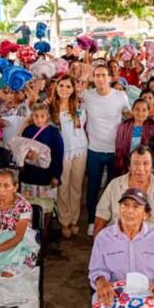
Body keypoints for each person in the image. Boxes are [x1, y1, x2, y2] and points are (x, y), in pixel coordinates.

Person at [83, 65, 131, 236]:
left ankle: (112, 221)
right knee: (93, 188)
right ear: (93, 78)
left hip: (115, 151)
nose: (100, 79)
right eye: (97, 75)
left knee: (114, 188)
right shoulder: (87, 96)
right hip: (94, 150)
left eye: (103, 75)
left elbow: (128, 115)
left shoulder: (120, 96)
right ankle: (91, 221)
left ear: (110, 77)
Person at [93, 146, 154, 238]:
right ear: (129, 167)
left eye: (146, 163)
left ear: (152, 167)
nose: (140, 169)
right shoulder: (114, 186)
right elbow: (100, 221)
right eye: (136, 163)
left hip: (150, 245)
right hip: (118, 243)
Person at [0, 169, 39, 272]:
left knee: (7, 274)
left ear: (15, 187)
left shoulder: (22, 206)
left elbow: (18, 238)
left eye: (6, 186)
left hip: (20, 247)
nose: (1, 189)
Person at [51, 75, 88, 238]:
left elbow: (83, 125)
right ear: (56, 87)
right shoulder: (50, 107)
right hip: (61, 153)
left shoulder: (79, 105)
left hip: (80, 149)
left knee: (76, 186)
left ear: (73, 89)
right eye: (61, 86)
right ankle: (64, 221)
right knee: (63, 187)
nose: (64, 89)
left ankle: (74, 219)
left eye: (68, 87)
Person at [19, 103, 64, 232]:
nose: (39, 119)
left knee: (47, 204)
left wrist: (56, 175)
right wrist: (24, 160)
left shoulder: (54, 133)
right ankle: (30, 230)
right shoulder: (28, 131)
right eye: (36, 116)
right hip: (30, 175)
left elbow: (58, 154)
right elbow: (21, 150)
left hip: (47, 175)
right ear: (32, 116)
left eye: (42, 116)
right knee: (29, 203)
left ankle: (45, 231)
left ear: (48, 116)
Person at [115, 99, 154, 175]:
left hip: (147, 167)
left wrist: (151, 164)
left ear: (148, 112)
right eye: (137, 109)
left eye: (144, 110)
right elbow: (119, 150)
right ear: (132, 110)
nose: (140, 113)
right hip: (127, 166)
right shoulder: (123, 126)